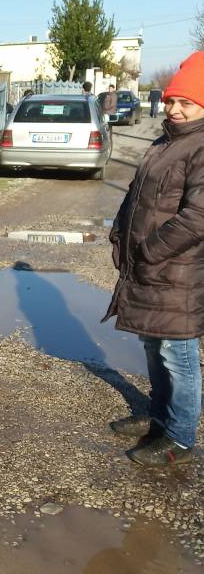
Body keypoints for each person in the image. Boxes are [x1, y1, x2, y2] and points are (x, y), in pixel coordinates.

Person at [104, 51, 204, 466]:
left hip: (176, 274)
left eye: (187, 103)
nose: (175, 109)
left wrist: (148, 250)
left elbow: (198, 217)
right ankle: (158, 417)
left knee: (178, 357)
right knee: (153, 348)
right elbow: (137, 193)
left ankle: (180, 436)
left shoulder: (200, 146)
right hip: (149, 272)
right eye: (171, 101)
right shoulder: (166, 140)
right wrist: (119, 233)